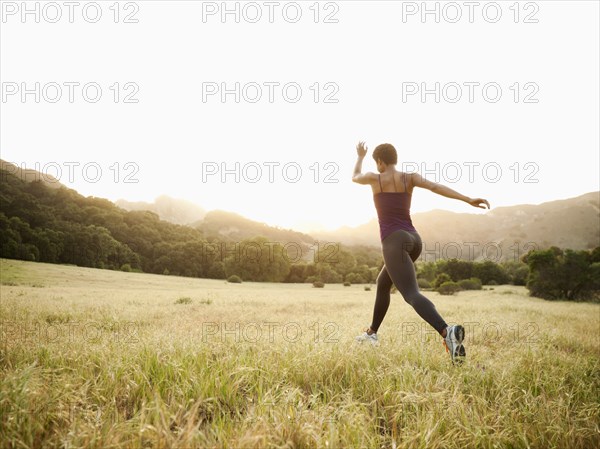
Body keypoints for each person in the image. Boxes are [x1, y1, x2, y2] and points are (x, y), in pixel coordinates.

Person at [351, 142, 490, 364]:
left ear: (379, 161)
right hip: (414, 239)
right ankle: (371, 333)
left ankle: (447, 332)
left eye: (375, 162)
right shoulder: (411, 177)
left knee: (411, 294)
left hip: (394, 241)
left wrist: (359, 156)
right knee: (383, 283)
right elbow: (436, 187)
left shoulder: (375, 178)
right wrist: (467, 199)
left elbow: (355, 176)